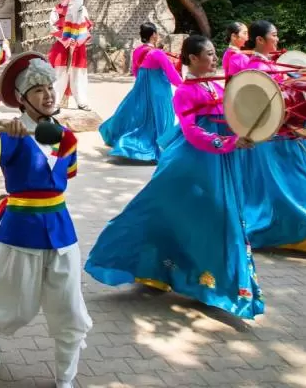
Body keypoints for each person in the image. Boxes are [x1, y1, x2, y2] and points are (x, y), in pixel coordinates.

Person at [85, 35, 265, 319]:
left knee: (215, 217)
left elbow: (233, 116)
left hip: (220, 163)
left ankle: (211, 283)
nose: (214, 58)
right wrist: (228, 143)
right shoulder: (185, 93)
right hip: (192, 163)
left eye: (214, 52)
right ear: (192, 58)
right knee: (173, 213)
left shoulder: (217, 85)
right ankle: (152, 263)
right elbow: (193, 132)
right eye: (208, 53)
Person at [0, 52, 90, 388]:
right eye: (38, 90)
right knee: (13, 305)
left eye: (49, 87)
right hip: (19, 232)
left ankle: (66, 377)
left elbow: (69, 173)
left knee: (69, 306)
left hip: (61, 230)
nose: (48, 94)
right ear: (22, 100)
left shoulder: (65, 135)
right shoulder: (10, 135)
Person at [229, 20, 306, 253]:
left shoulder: (271, 65)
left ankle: (305, 233)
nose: (278, 39)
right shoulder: (257, 70)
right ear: (260, 40)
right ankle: (292, 233)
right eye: (274, 35)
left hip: (291, 134)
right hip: (276, 138)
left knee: (294, 184)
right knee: (287, 185)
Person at [98, 22, 182, 162]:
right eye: (157, 33)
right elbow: (172, 74)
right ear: (153, 35)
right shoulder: (158, 53)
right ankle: (158, 145)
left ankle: (124, 140)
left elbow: (136, 72)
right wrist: (185, 85)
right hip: (158, 91)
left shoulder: (137, 51)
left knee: (140, 117)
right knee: (159, 117)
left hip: (141, 89)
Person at [47, 0, 91, 110]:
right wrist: (66, 40)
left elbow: (86, 26)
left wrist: (78, 40)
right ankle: (55, 101)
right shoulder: (56, 10)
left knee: (79, 74)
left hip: (78, 46)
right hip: (62, 46)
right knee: (59, 74)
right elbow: (53, 28)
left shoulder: (81, 9)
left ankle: (82, 101)